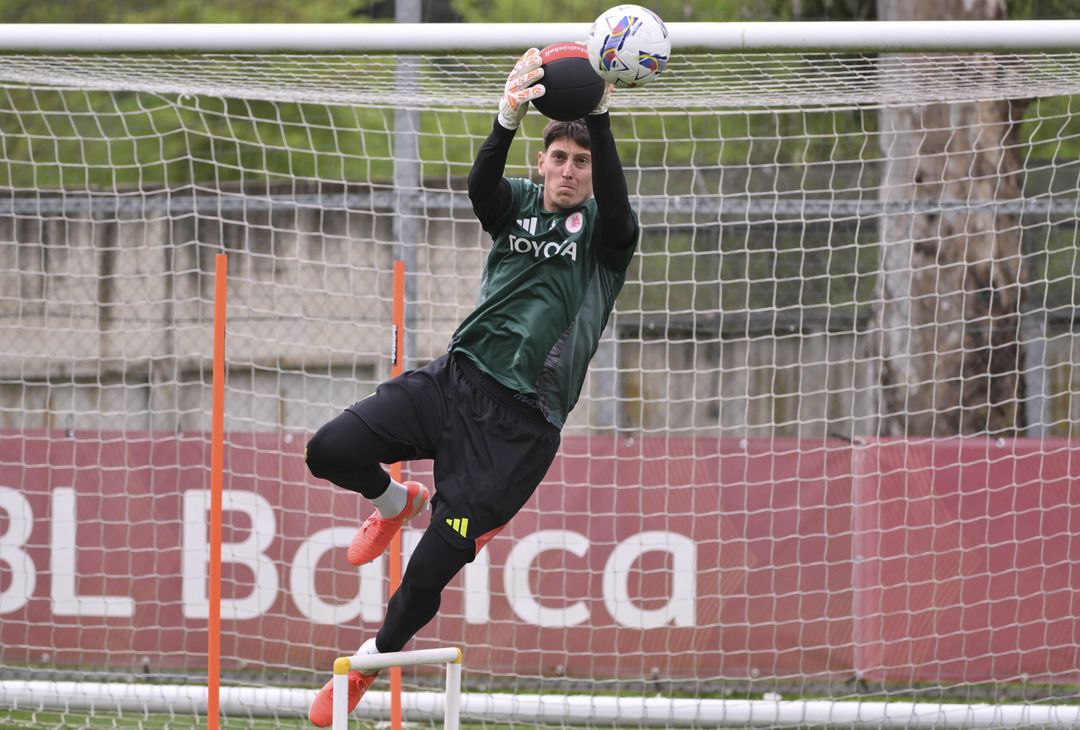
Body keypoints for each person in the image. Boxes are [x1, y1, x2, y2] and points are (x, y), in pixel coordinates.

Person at [303, 47, 639, 727]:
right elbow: (481, 187)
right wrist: (507, 115)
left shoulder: (606, 234)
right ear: (542, 165)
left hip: (516, 435)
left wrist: (599, 121)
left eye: (580, 163)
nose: (569, 171)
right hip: (451, 382)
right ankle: (395, 500)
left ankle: (368, 663)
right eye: (560, 160)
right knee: (328, 449)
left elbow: (626, 219)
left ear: (592, 172)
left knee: (425, 577)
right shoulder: (515, 203)